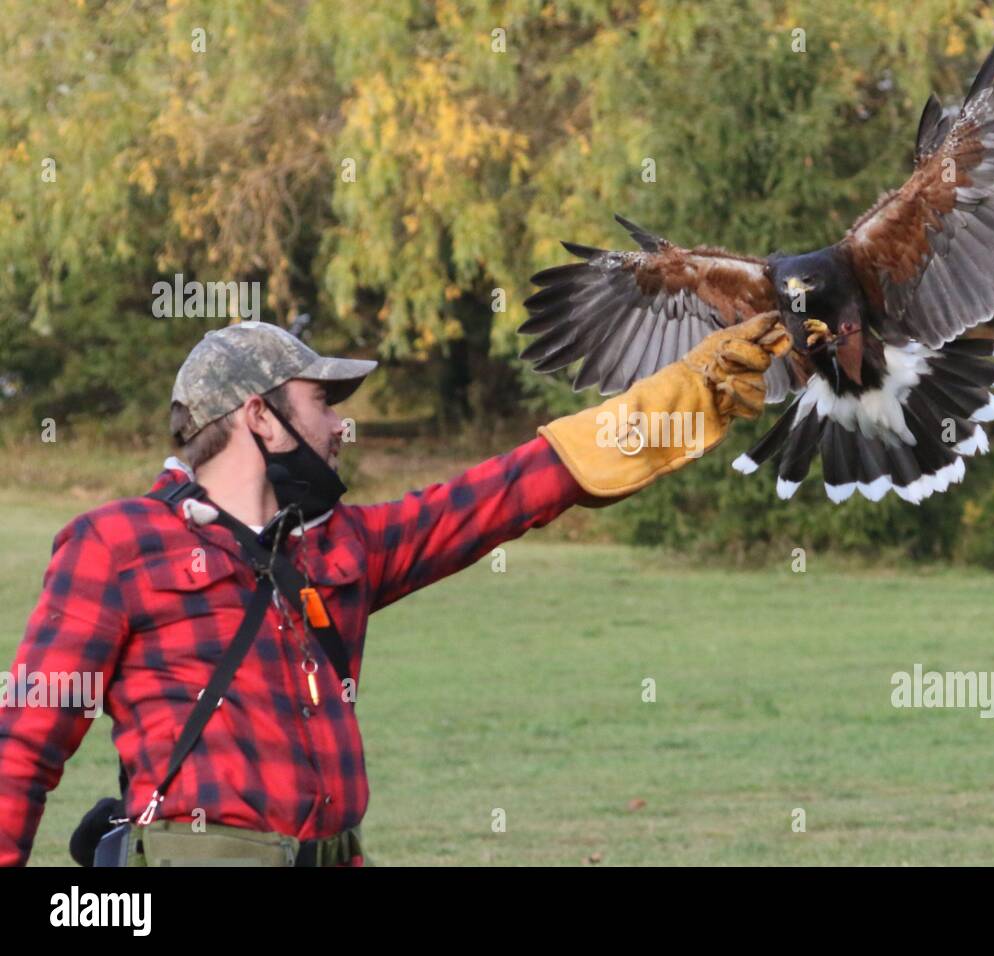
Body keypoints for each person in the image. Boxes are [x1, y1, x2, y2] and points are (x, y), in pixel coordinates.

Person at [0, 314, 789, 866]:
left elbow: (513, 490)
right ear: (260, 418)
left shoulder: (343, 547)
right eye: (323, 404)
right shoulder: (114, 545)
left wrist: (687, 396)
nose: (343, 427)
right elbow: (22, 747)